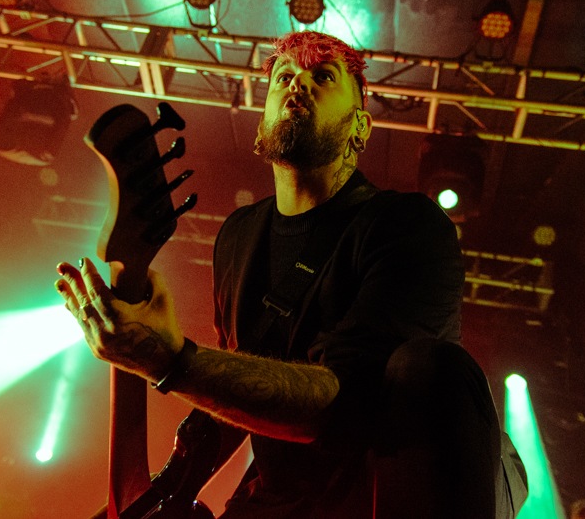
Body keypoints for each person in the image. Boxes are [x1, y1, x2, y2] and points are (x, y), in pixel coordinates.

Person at [56, 31, 513, 518]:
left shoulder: (407, 226)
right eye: (283, 76)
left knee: (433, 367)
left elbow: (346, 406)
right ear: (262, 121)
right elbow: (246, 381)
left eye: (323, 76)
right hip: (280, 497)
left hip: (384, 489)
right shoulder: (238, 236)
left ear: (361, 126)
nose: (298, 84)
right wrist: (164, 486)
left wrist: (173, 362)